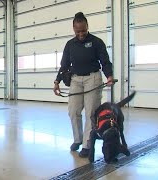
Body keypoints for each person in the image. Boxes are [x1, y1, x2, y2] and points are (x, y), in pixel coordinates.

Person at [53, 12, 114, 158]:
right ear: (73, 29)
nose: (81, 34)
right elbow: (64, 65)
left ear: (87, 27)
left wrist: (109, 76)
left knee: (91, 113)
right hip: (75, 80)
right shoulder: (70, 44)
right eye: (78, 31)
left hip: (92, 78)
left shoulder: (96, 42)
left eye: (84, 30)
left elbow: (105, 61)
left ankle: (87, 144)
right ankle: (78, 139)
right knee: (73, 111)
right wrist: (57, 81)